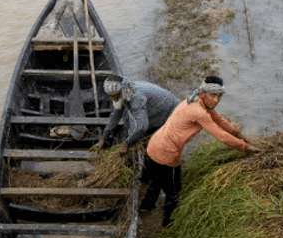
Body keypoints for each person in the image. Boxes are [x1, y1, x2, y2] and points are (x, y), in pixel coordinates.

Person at [140, 75, 258, 228]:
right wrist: (246, 147)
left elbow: (220, 121)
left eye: (219, 96)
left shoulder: (193, 100)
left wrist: (240, 135)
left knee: (155, 182)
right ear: (203, 94)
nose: (216, 100)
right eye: (212, 95)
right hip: (166, 154)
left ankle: (145, 208)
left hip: (153, 146)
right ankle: (168, 224)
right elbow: (221, 136)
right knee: (174, 192)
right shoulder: (199, 112)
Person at [91, 75, 181, 154]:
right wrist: (103, 139)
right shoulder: (126, 90)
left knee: (164, 146)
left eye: (113, 95)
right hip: (158, 110)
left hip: (173, 113)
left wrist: (126, 144)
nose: (110, 99)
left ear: (120, 92)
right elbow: (116, 114)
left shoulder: (136, 97)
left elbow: (142, 126)